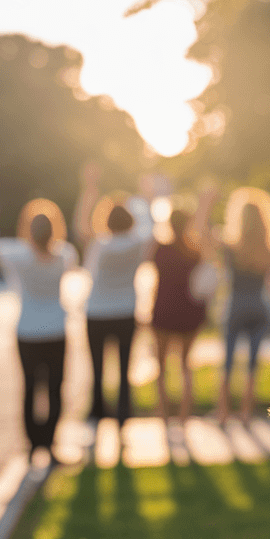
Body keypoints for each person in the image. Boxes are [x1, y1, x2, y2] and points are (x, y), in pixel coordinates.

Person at [0, 190, 78, 463]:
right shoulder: (65, 254)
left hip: (28, 332)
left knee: (30, 388)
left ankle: (33, 446)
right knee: (54, 389)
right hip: (56, 331)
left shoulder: (17, 254)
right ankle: (50, 444)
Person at [74, 165, 152, 426]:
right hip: (126, 312)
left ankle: (96, 411)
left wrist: (90, 189)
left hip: (96, 312)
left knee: (97, 368)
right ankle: (123, 413)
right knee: (123, 368)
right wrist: (147, 197)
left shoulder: (100, 244)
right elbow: (151, 230)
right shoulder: (137, 244)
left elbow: (81, 226)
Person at [149, 185, 217, 422]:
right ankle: (184, 417)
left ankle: (163, 415)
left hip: (163, 312)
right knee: (186, 366)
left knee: (161, 368)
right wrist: (205, 206)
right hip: (190, 313)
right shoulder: (194, 251)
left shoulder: (159, 249)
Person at [220, 188, 270, 423]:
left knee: (227, 362)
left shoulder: (232, 247)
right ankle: (246, 412)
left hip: (235, 305)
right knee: (252, 365)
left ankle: (223, 412)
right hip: (259, 306)